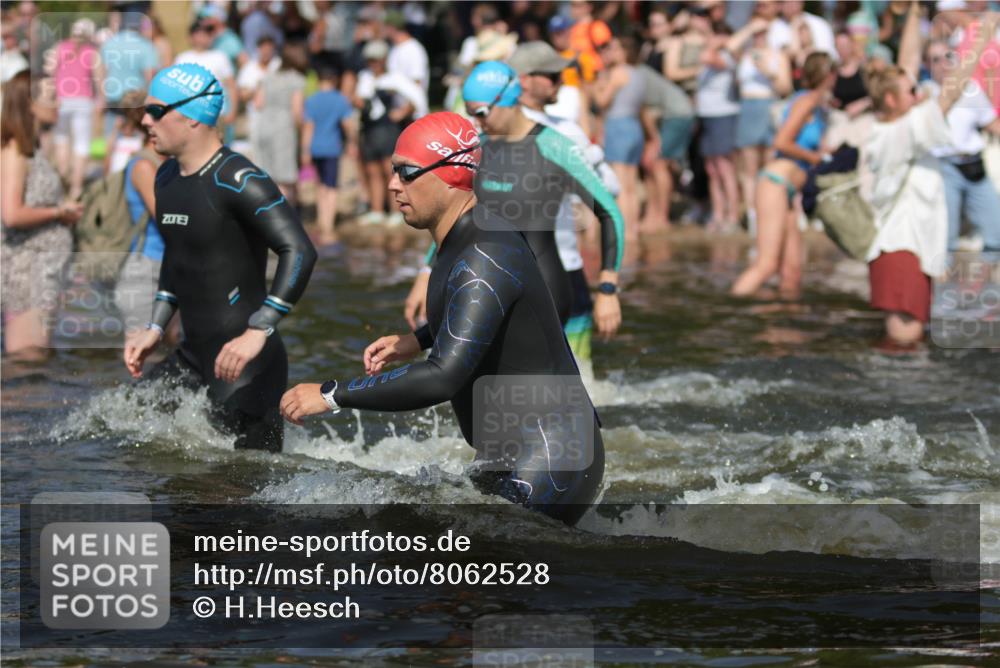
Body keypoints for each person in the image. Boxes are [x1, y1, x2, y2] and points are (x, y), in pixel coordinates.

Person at [280, 112, 604, 526]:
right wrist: (420, 337)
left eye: (408, 173)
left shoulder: (482, 255)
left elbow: (442, 377)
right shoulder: (465, 238)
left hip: (555, 456)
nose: (394, 184)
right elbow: (488, 312)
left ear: (452, 173)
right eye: (393, 171)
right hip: (519, 451)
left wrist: (331, 395)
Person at [123, 63, 317, 452]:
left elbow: (299, 250)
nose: (145, 121)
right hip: (193, 355)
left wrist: (259, 329)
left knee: (241, 496)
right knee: (131, 430)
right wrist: (156, 327)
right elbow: (177, 257)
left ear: (192, 117)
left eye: (156, 111)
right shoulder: (166, 178)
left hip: (245, 361)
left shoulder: (239, 179)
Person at [862, 10, 999, 345]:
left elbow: (908, 59)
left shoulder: (895, 124)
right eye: (912, 90)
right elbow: (951, 91)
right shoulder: (902, 130)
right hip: (901, 250)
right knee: (904, 338)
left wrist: (914, 10)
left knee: (909, 339)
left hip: (905, 249)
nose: (919, 92)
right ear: (893, 99)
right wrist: (982, 37)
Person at [731, 52, 835, 298]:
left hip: (787, 191)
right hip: (774, 183)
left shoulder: (814, 104)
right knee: (766, 266)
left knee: (792, 271)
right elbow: (782, 142)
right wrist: (817, 159)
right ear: (830, 76)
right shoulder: (807, 101)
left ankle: (784, 326)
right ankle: (729, 313)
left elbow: (803, 143)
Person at [1, 73, 83, 358]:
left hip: (43, 270)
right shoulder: (14, 149)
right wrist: (59, 211)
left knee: (38, 360)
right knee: (27, 362)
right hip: (27, 273)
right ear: (29, 103)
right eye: (50, 94)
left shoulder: (32, 147)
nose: (58, 101)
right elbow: (11, 214)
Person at [111, 93, 177, 347]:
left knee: (172, 359)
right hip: (144, 272)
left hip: (167, 269)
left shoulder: (169, 162)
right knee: (142, 361)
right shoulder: (143, 165)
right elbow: (166, 218)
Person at [922, 39, 1000, 251]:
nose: (943, 64)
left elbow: (992, 123)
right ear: (927, 65)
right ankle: (944, 282)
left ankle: (990, 281)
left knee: (996, 232)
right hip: (943, 168)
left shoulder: (971, 88)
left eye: (948, 56)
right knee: (945, 237)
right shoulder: (923, 93)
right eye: (935, 59)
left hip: (974, 165)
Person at [353, 39, 428, 226]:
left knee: (390, 172)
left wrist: (401, 112)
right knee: (372, 171)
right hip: (369, 130)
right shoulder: (364, 77)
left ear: (384, 59)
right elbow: (357, 100)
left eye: (376, 59)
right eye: (370, 60)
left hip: (388, 130)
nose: (373, 63)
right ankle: (377, 210)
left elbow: (416, 98)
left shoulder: (396, 78)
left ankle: (395, 212)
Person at [728, 16, 792, 232]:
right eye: (756, 33)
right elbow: (729, 46)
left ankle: (771, 212)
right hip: (748, 106)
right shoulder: (745, 54)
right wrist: (750, 27)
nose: (759, 36)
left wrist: (768, 71)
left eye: (762, 32)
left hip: (769, 107)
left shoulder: (778, 55)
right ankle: (753, 215)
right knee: (749, 168)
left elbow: (785, 88)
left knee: (769, 165)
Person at [592, 35, 645, 241]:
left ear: (624, 52)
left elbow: (602, 101)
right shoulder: (638, 73)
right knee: (631, 185)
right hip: (634, 125)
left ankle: (625, 232)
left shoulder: (618, 72)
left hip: (618, 126)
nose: (610, 52)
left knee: (621, 185)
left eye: (614, 48)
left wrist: (597, 83)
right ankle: (633, 229)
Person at [49, 18, 104, 201]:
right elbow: (99, 79)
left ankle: (63, 175)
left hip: (61, 99)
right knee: (81, 143)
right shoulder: (92, 52)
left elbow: (51, 73)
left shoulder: (60, 47)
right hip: (83, 100)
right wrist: (101, 100)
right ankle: (76, 187)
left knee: (61, 138)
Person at [302, 66, 354, 246]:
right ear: (334, 81)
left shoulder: (311, 100)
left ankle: (321, 220)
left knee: (320, 185)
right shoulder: (340, 100)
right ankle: (328, 225)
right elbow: (347, 124)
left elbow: (308, 127)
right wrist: (352, 142)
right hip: (332, 148)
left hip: (315, 148)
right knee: (331, 186)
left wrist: (305, 150)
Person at [254, 43, 307, 207]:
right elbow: (297, 111)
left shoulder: (268, 77)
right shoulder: (297, 79)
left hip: (263, 126)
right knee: (284, 178)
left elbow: (258, 103)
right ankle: (284, 214)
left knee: (267, 175)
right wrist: (303, 132)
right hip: (284, 128)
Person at [174, 19, 238, 142]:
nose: (204, 37)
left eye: (208, 33)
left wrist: (233, 111)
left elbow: (231, 86)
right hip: (189, 115)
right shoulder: (182, 58)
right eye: (200, 33)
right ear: (191, 37)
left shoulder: (220, 57)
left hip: (216, 115)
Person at [100, 11, 160, 136]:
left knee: (111, 137)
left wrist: (102, 97)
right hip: (136, 100)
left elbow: (101, 72)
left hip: (112, 99)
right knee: (137, 137)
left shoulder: (109, 44)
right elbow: (150, 76)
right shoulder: (147, 46)